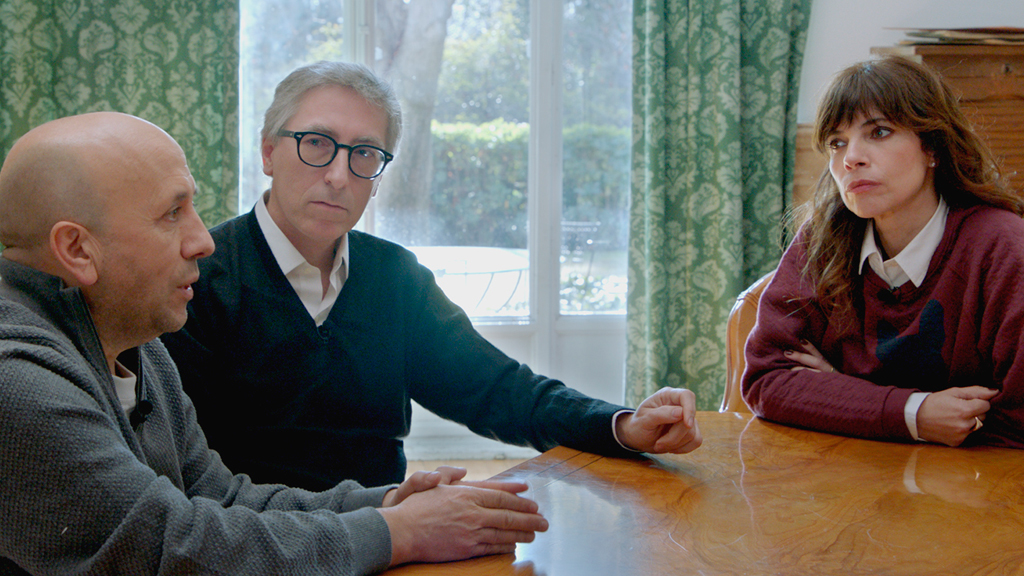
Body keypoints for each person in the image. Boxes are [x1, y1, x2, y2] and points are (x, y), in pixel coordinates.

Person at [0, 111, 550, 575]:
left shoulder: (136, 344)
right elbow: (169, 548)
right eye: (172, 214)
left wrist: (384, 503)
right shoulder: (16, 381)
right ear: (77, 249)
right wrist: (398, 533)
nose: (202, 240)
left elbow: (220, 495)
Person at [160, 60, 703, 491]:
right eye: (317, 143)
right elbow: (189, 478)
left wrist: (620, 425)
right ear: (268, 152)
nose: (338, 175)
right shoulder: (197, 280)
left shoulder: (394, 277)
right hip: (257, 546)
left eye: (364, 154)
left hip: (393, 546)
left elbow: (499, 390)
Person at [742, 56, 1024, 449]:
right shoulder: (822, 238)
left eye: (879, 132)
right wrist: (912, 413)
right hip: (847, 476)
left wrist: (839, 394)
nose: (850, 158)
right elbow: (766, 380)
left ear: (932, 147)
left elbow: (1016, 426)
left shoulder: (1004, 247)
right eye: (837, 142)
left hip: (976, 482)